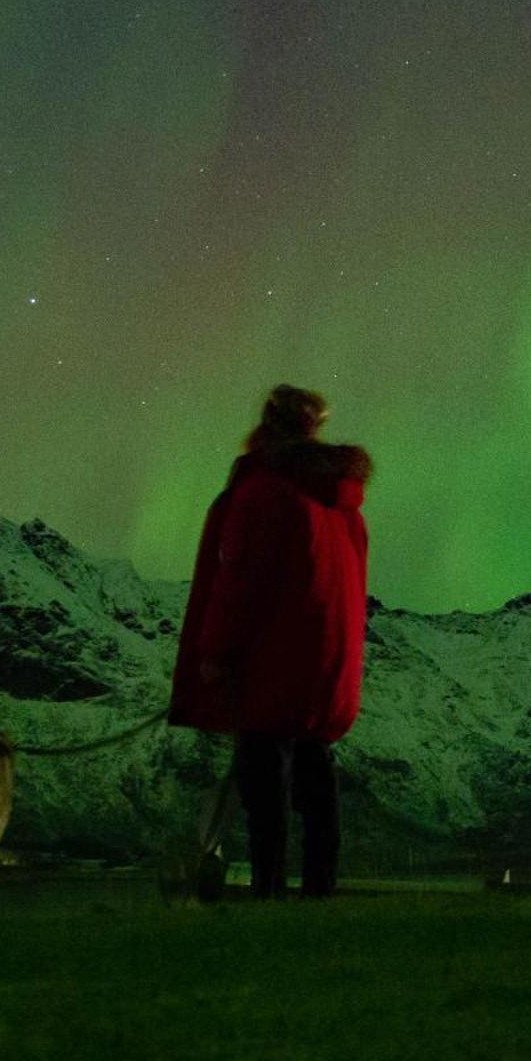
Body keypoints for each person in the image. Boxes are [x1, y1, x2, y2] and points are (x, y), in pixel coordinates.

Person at [169, 384, 372, 899]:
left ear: (267, 424)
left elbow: (239, 578)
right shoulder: (341, 500)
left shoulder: (264, 489)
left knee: (266, 778)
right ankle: (320, 890)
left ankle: (269, 888)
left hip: (271, 661)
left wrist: (216, 652)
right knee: (314, 772)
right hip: (327, 662)